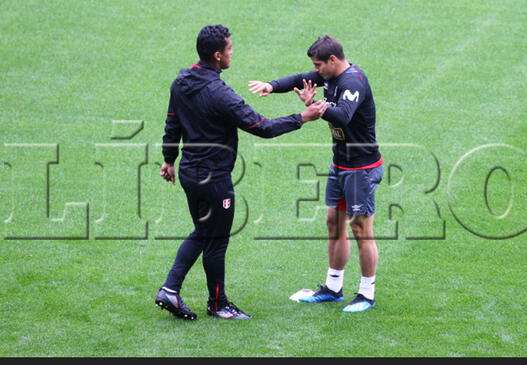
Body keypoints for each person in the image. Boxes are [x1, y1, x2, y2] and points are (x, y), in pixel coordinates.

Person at [155, 25, 328, 320]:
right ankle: (216, 303)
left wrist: (169, 159)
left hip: (189, 173)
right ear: (218, 55)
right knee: (216, 238)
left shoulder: (180, 82)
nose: (233, 53)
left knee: (204, 232)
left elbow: (172, 122)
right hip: (214, 179)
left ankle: (174, 291)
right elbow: (262, 127)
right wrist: (303, 117)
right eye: (230, 49)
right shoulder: (220, 95)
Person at [248, 35, 382, 313]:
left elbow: (343, 115)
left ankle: (367, 294)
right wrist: (270, 86)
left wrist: (318, 108)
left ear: (333, 60)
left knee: (360, 229)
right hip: (341, 164)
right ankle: (333, 288)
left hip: (361, 168)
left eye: (318, 65)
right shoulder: (329, 75)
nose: (315, 70)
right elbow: (299, 78)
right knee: (333, 222)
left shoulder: (352, 82)